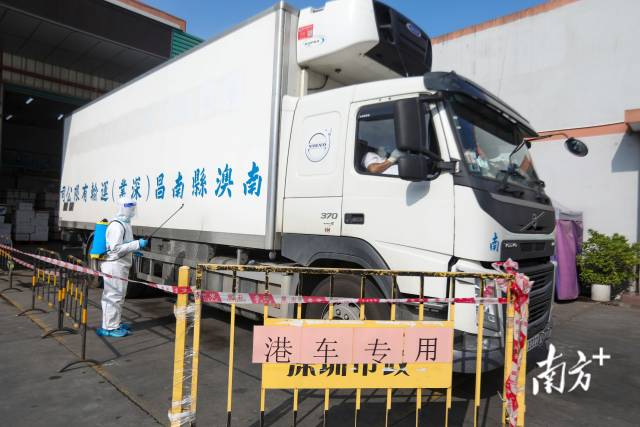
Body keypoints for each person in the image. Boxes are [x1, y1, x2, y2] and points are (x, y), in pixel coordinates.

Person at [96, 198, 147, 337]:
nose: (132, 210)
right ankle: (109, 327)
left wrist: (133, 249)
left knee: (118, 296)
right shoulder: (116, 226)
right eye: (129, 207)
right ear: (122, 208)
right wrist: (137, 244)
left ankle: (114, 323)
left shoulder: (125, 224)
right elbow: (115, 249)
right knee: (113, 296)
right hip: (114, 265)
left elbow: (124, 244)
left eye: (133, 207)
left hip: (120, 265)